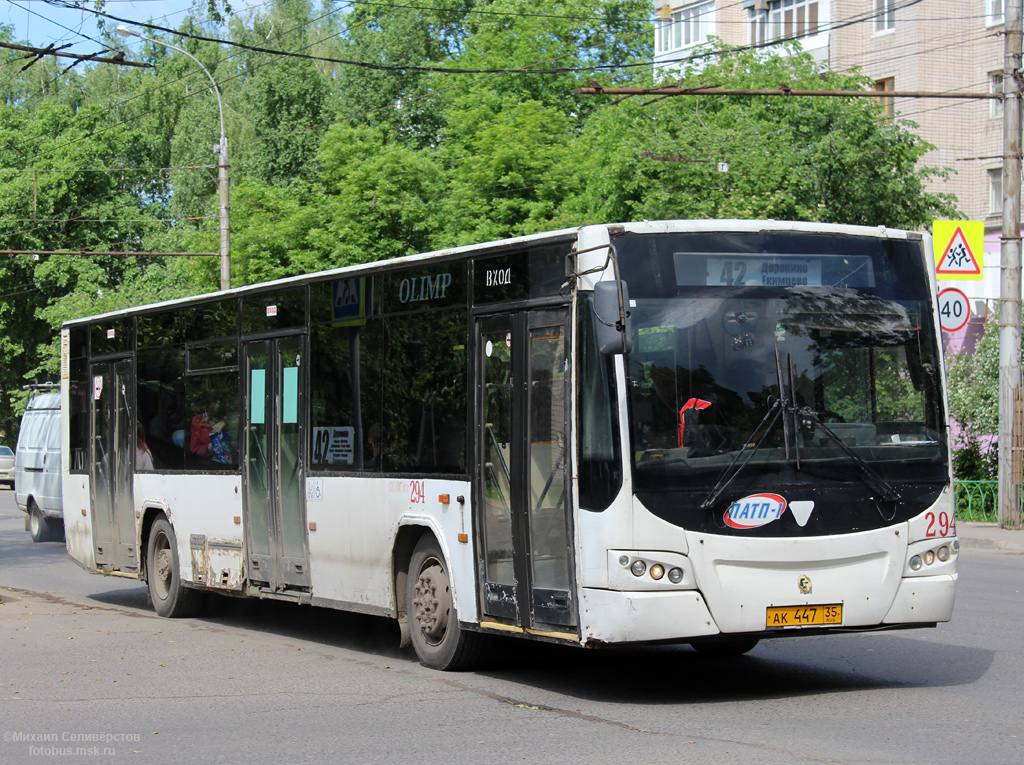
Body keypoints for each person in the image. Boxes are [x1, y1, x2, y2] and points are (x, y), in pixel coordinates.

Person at [191, 399, 232, 464]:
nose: (217, 405)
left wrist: (223, 423)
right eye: (213, 402)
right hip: (207, 461)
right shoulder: (198, 420)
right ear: (207, 404)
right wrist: (209, 447)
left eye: (218, 403)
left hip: (228, 459)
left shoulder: (226, 419)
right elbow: (194, 449)